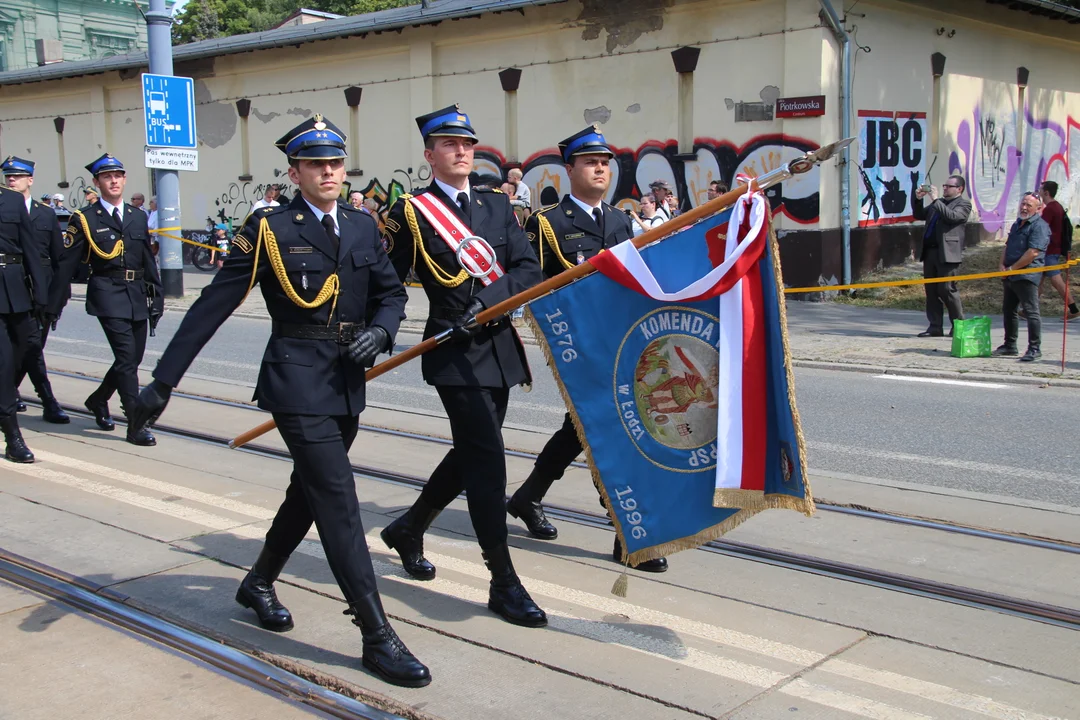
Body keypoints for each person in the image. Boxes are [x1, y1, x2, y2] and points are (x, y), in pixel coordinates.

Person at [127, 115, 429, 688]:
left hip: (347, 384)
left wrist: (384, 332)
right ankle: (376, 634)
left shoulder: (363, 228)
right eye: (316, 164)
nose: (329, 173)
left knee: (308, 492)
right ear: (294, 172)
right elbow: (212, 304)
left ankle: (258, 581)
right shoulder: (269, 227)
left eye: (336, 163)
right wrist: (162, 381)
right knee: (338, 498)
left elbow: (392, 295)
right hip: (296, 381)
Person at [381, 104, 547, 628]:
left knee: (473, 451)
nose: (462, 152)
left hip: (497, 345)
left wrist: (489, 302)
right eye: (450, 145)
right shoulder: (411, 212)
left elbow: (527, 267)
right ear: (430, 154)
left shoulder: (497, 206)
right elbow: (386, 279)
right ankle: (502, 578)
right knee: (487, 458)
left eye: (468, 144)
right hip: (452, 350)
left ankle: (409, 527)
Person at [514, 127, 668, 573]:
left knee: (580, 429)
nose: (600, 168)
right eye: (589, 162)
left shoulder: (621, 222)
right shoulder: (547, 224)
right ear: (570, 169)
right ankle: (627, 532)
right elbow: (535, 289)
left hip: (619, 345)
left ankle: (527, 498)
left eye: (605, 161)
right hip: (576, 348)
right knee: (606, 430)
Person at [53, 154, 163, 445]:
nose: (113, 181)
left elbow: (147, 260)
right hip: (107, 293)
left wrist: (158, 295)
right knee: (127, 358)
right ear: (97, 182)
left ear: (125, 180)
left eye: (118, 176)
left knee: (132, 358)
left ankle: (99, 400)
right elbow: (67, 264)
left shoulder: (137, 215)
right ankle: (135, 424)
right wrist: (53, 302)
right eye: (107, 177)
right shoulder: (85, 219)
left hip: (136, 293)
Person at [2, 156, 69, 424]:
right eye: (8, 176)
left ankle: (12, 391)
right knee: (25, 347)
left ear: (29, 179)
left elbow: (58, 258)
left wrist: (57, 297)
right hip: (14, 288)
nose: (11, 180)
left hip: (41, 290)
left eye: (17, 176)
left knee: (31, 347)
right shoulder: (5, 207)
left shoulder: (45, 213)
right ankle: (46, 400)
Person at [0, 163, 47, 462]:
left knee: (27, 346)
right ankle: (12, 435)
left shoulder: (13, 200)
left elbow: (30, 248)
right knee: (3, 362)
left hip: (15, 289)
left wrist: (41, 295)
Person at [912, 175, 971, 337]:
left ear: (959, 189)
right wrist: (917, 199)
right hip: (930, 251)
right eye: (944, 185)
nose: (945, 188)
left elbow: (952, 217)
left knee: (947, 290)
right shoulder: (938, 204)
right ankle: (935, 326)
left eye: (949, 186)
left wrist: (936, 199)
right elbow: (919, 215)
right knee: (931, 291)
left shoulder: (963, 204)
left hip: (948, 253)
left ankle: (958, 325)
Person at [995, 192, 1050, 362]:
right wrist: (1002, 266)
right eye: (1023, 204)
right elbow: (1007, 245)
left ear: (1038, 208)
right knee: (1008, 310)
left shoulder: (1039, 226)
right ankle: (1010, 345)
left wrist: (1012, 268)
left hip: (1026, 275)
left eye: (1029, 205)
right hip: (1010, 275)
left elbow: (1033, 252)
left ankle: (1034, 348)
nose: (1024, 208)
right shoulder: (1017, 224)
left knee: (1030, 311)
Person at [1038, 181, 1079, 320]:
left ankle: (1074, 309)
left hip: (1049, 250)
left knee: (1056, 281)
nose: (1038, 191)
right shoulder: (1057, 206)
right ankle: (1028, 309)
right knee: (1037, 279)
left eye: (1041, 189)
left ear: (1046, 192)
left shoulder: (1050, 208)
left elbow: (1041, 228)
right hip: (1050, 249)